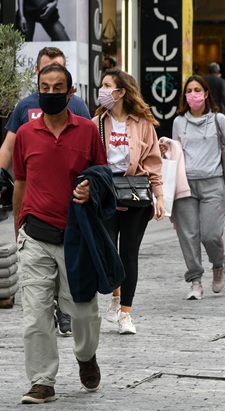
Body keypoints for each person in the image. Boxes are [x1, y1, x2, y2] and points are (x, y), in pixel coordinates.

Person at [13, 63, 107, 403]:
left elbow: (102, 176)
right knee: (35, 315)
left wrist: (89, 190)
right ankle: (42, 381)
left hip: (75, 238)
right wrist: (18, 230)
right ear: (38, 89)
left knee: (83, 312)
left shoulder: (86, 131)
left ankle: (85, 356)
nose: (50, 93)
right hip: (35, 235)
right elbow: (20, 184)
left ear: (70, 92)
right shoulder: (25, 134)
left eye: (57, 87)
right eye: (44, 87)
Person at [0, 46, 90, 337]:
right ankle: (49, 314)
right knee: (38, 266)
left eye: (59, 70)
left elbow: (92, 156)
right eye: (47, 71)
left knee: (69, 271)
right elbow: (7, 147)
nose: (53, 82)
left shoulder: (78, 107)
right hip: (32, 204)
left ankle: (66, 311)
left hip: (70, 210)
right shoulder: (24, 108)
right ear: (37, 73)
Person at [93, 68, 165, 335]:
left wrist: (159, 197)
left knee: (129, 254)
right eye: (102, 85)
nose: (102, 90)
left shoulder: (143, 124)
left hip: (135, 194)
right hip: (106, 195)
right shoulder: (97, 122)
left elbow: (154, 163)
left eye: (107, 85)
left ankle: (126, 313)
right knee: (109, 252)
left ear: (121, 92)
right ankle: (115, 295)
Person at [171, 75, 225, 300]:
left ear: (206, 94)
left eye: (198, 90)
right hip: (185, 185)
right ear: (185, 96)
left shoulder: (219, 120)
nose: (193, 94)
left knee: (210, 234)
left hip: (213, 183)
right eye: (189, 90)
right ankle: (195, 281)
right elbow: (175, 155)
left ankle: (219, 263)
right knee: (188, 236)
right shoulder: (178, 122)